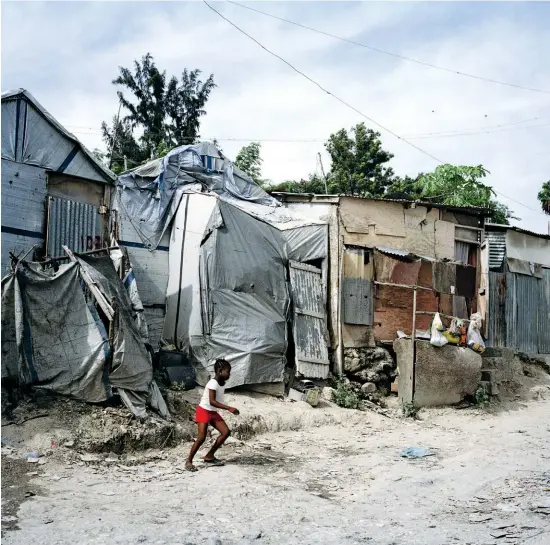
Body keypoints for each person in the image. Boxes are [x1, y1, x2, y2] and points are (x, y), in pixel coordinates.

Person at [185, 359, 240, 472]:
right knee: (201, 438)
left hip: (212, 412)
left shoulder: (221, 383)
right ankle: (189, 461)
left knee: (226, 432)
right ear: (220, 371)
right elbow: (212, 401)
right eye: (228, 371)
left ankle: (209, 456)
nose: (229, 374)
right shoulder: (213, 383)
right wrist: (229, 408)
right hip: (204, 410)